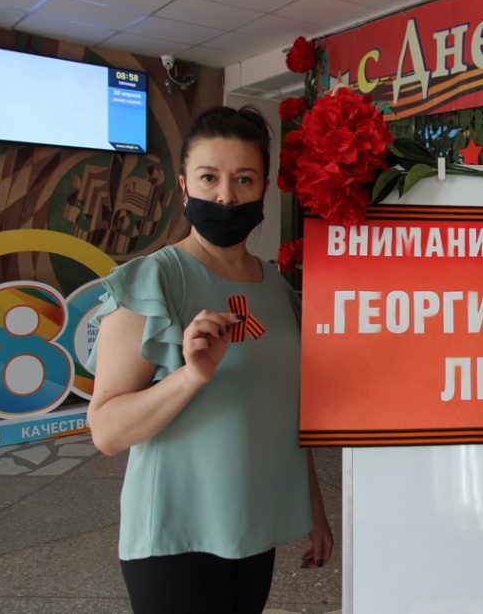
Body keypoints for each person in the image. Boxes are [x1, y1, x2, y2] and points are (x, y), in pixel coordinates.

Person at [86, 105, 333, 614]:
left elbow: (285, 411)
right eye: (208, 177)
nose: (225, 196)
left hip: (252, 528)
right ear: (183, 186)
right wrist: (190, 376)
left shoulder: (279, 290)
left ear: (263, 189)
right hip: (175, 535)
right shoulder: (152, 282)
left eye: (243, 179)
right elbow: (106, 431)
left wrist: (314, 507)